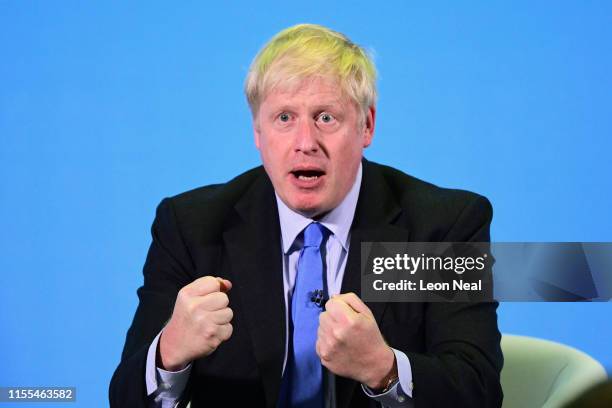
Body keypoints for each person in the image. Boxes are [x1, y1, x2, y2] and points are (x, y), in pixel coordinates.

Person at [109, 23, 503, 407]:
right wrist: (169, 353)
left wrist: (384, 369)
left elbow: (479, 392)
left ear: (366, 125)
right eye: (284, 118)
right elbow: (123, 397)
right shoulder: (192, 227)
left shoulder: (441, 228)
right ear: (257, 134)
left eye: (326, 117)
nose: (305, 143)